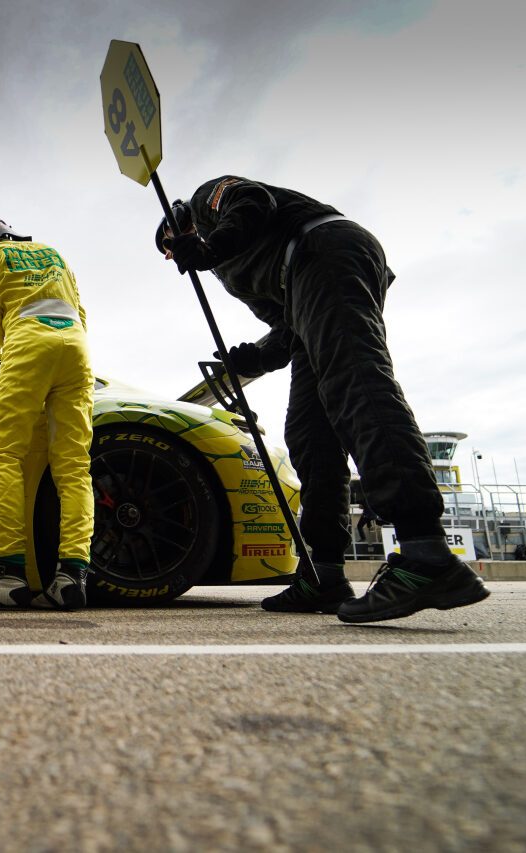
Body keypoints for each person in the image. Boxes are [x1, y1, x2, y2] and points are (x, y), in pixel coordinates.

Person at [155, 176, 488, 622]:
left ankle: (425, 554)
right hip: (304, 278)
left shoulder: (207, 203)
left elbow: (254, 201)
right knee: (310, 433)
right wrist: (254, 356)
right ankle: (323, 572)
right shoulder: (236, 275)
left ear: (185, 223)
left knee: (355, 383)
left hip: (325, 251)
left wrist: (211, 246)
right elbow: (290, 328)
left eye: (174, 245)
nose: (176, 257)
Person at [0, 217, 94, 610]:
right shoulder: (53, 253)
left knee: (3, 456)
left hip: (27, 345)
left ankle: (8, 577)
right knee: (74, 466)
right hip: (76, 349)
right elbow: (82, 315)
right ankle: (72, 576)